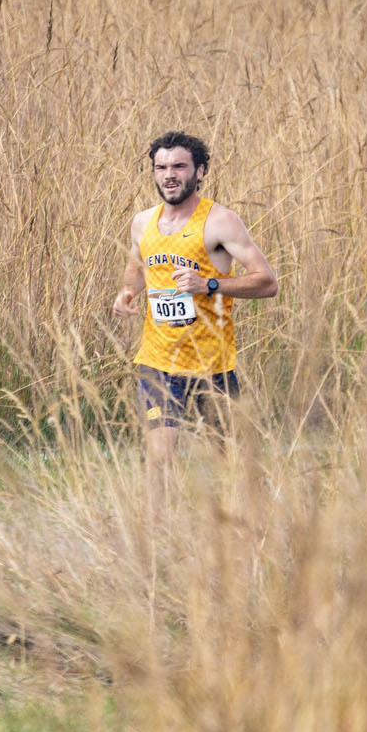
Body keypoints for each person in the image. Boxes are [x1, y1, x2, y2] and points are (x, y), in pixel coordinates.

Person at [111, 131, 277, 510]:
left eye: (179, 166)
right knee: (159, 458)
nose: (169, 175)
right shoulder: (142, 222)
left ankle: (256, 528)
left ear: (199, 171)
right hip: (157, 360)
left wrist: (209, 283)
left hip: (211, 364)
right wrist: (127, 293)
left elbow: (267, 283)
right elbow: (137, 263)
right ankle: (157, 547)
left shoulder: (220, 222)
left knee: (230, 461)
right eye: (161, 167)